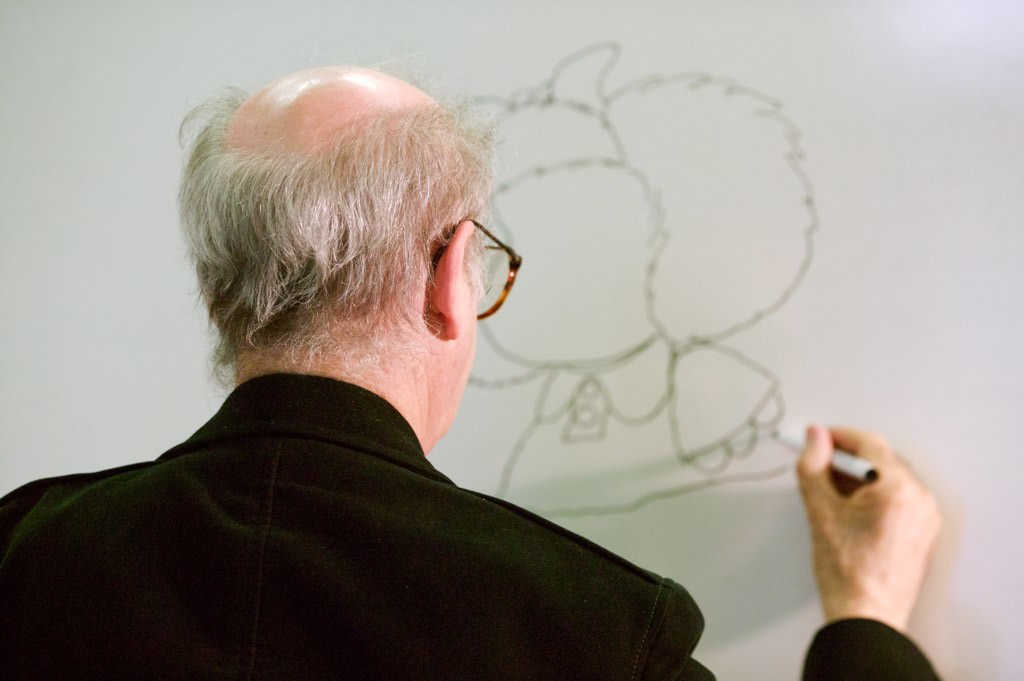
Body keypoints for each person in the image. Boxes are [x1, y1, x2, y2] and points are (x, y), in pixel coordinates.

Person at [0, 66, 943, 680]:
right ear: (453, 275)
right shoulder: (595, 635)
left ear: (218, 293)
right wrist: (865, 620)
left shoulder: (25, 558)